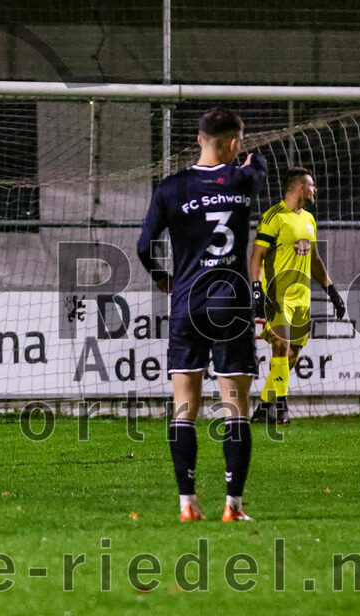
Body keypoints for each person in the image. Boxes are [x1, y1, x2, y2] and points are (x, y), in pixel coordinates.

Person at [137, 107, 266, 522]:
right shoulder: (244, 179)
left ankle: (187, 504)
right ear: (232, 143)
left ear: (198, 139)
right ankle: (233, 505)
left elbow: (144, 245)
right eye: (238, 142)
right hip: (230, 303)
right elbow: (256, 165)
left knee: (183, 406)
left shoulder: (171, 188)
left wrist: (163, 277)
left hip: (187, 302)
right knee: (235, 407)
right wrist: (247, 160)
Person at [250, 168, 345, 425]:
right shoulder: (273, 217)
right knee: (280, 346)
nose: (315, 190)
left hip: (302, 297)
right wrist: (257, 290)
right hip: (277, 295)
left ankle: (263, 408)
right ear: (300, 188)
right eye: (312, 186)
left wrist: (332, 291)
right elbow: (256, 256)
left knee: (292, 356)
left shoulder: (309, 220)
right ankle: (281, 409)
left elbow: (314, 259)